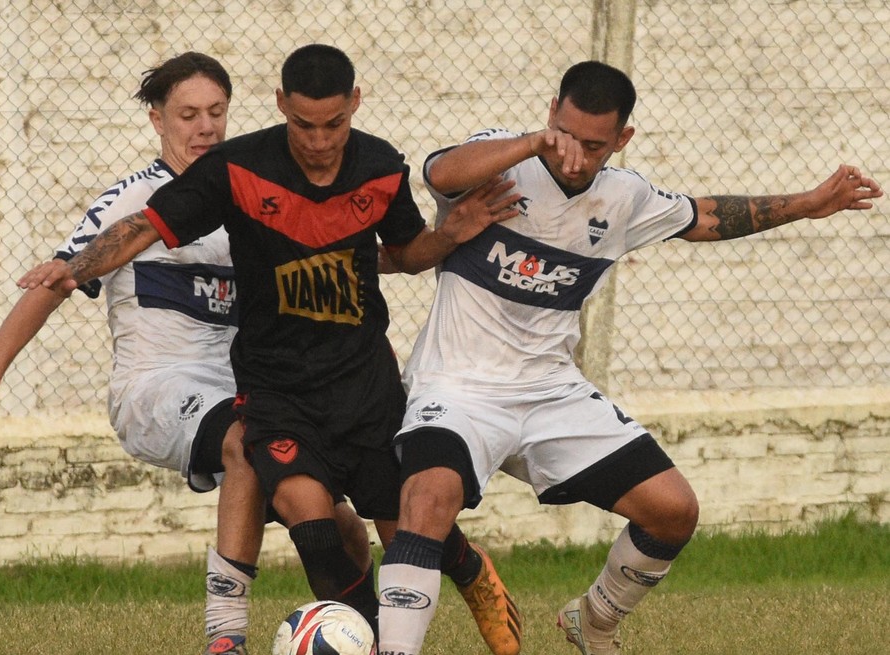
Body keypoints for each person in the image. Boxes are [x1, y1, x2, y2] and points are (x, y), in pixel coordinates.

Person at [19, 43, 526, 655]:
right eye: (305, 125)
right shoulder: (236, 168)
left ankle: (468, 569)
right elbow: (144, 226)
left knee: (406, 533)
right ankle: (359, 641)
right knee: (310, 521)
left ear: (354, 104)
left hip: (362, 382)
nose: (319, 141)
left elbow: (406, 254)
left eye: (334, 124)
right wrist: (75, 267)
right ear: (281, 104)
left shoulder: (380, 166)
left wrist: (449, 235)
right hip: (277, 388)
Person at [375, 60, 882, 655]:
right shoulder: (501, 160)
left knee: (673, 511)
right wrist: (534, 143)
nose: (573, 157)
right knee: (426, 501)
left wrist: (809, 203)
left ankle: (593, 621)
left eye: (594, 146)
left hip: (551, 391)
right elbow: (440, 171)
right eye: (564, 135)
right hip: (458, 386)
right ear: (550, 115)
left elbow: (704, 216)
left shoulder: (624, 197)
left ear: (622, 139)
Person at [0, 51, 378, 655]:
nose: (205, 127)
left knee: (334, 519)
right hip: (158, 388)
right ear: (158, 120)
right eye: (188, 115)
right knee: (247, 439)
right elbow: (57, 282)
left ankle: (366, 634)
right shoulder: (133, 200)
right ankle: (225, 637)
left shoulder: (253, 192)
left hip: (249, 387)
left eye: (216, 112)